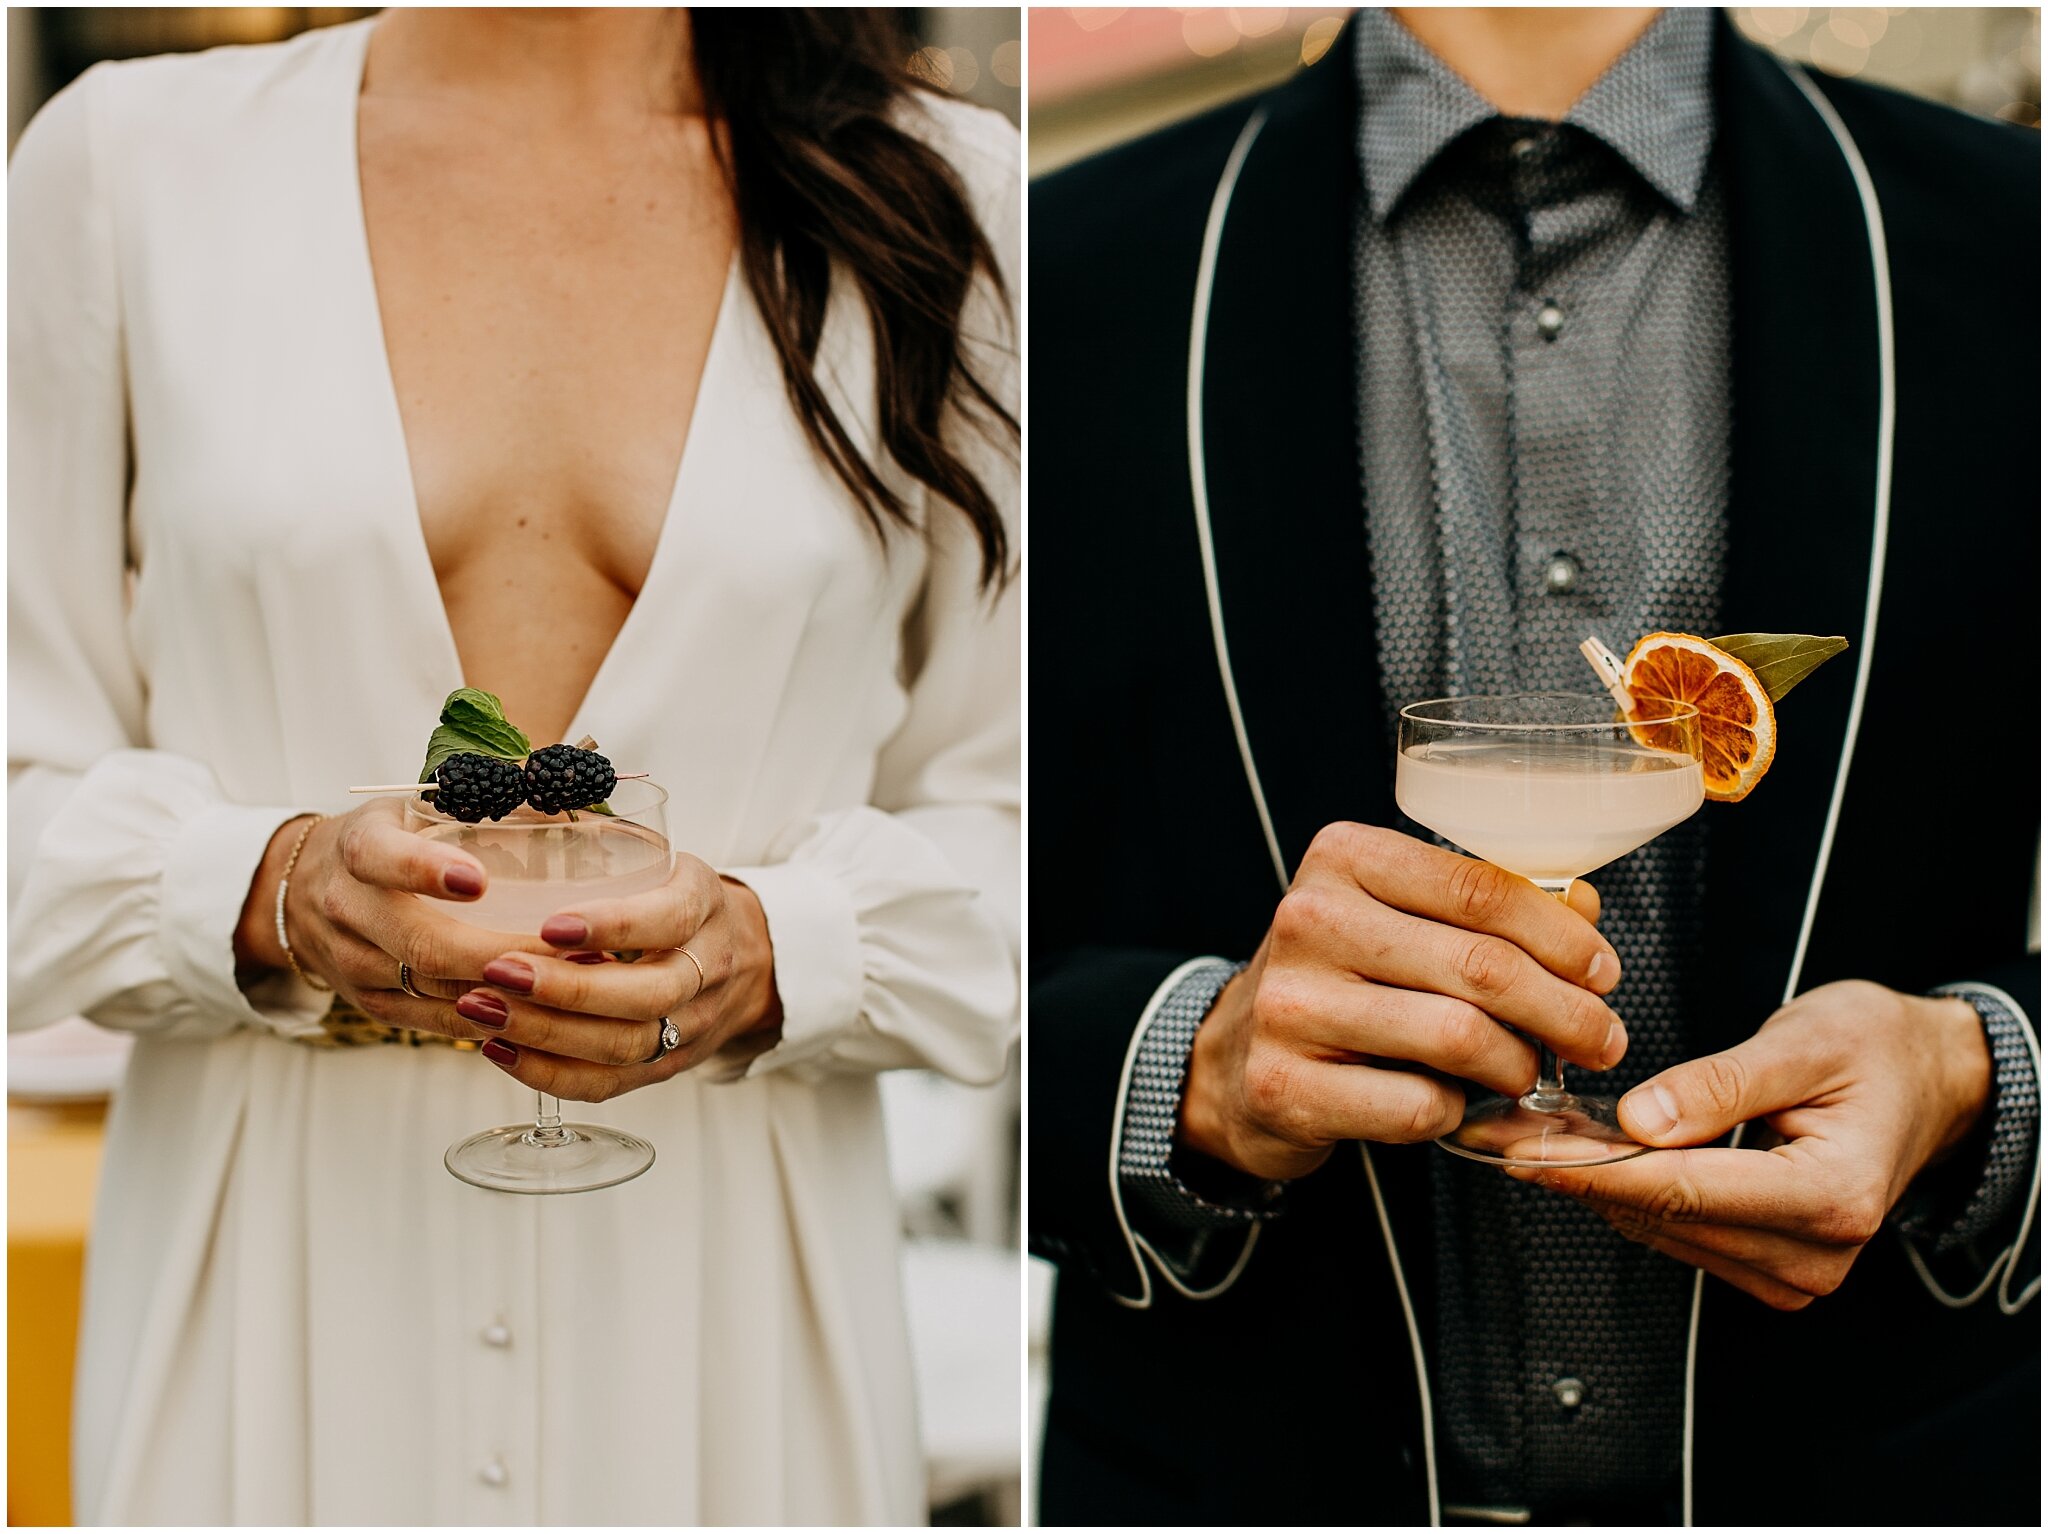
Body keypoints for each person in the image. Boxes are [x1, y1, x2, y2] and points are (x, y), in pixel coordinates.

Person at [10, 8, 1018, 1524]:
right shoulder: (129, 169)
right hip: (264, 1327)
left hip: (732, 1353)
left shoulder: (950, 194)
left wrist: (771, 946)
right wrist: (267, 885)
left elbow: (1027, 818)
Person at [1030, 7, 2037, 1525]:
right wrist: (1191, 1070)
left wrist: (1975, 1076)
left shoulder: (2008, 244)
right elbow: (946, 926)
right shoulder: (1062, 270)